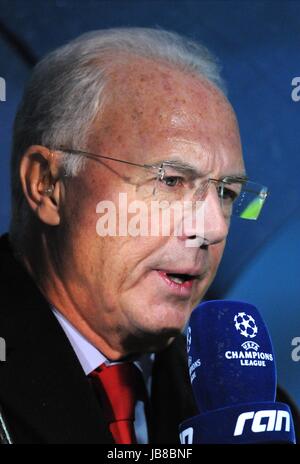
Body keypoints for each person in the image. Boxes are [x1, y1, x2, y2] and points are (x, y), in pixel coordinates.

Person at [0, 27, 298, 444]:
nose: (211, 228)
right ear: (48, 184)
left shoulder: (248, 412)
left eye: (228, 193)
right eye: (171, 180)